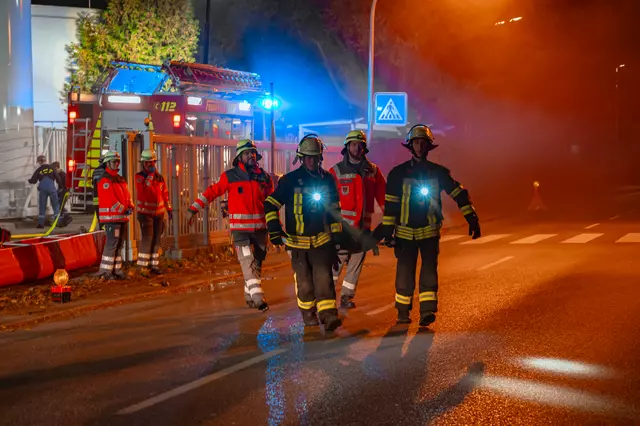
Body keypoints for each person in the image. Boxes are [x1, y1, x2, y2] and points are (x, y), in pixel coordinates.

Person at [375, 125, 481, 327]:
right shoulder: (397, 174)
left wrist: (472, 218)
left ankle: (427, 311)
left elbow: (459, 194)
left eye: (423, 143)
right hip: (405, 234)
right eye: (416, 142)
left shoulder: (438, 173)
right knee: (405, 272)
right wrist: (388, 233)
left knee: (429, 271)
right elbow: (391, 207)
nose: (420, 146)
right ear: (410, 146)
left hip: (430, 232)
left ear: (429, 146)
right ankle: (403, 312)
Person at [264, 134, 344, 331]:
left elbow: (335, 213)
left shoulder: (327, 180)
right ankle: (309, 315)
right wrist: (275, 229)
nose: (312, 161)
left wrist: (337, 242)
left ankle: (328, 315)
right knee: (305, 284)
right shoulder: (289, 181)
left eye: (316, 157)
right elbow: (270, 204)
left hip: (322, 242)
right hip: (298, 245)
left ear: (320, 158)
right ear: (301, 158)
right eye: (308, 157)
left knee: (324, 278)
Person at [188, 139, 273, 312]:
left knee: (257, 263)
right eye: (247, 153)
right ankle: (259, 298)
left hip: (260, 229)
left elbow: (272, 201)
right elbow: (212, 192)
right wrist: (194, 208)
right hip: (240, 230)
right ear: (240, 157)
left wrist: (275, 224)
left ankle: (249, 295)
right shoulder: (230, 176)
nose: (251, 156)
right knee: (247, 261)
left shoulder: (264, 177)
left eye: (253, 152)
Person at [329, 130, 386, 309]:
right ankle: (326, 296)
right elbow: (327, 202)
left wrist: (391, 220)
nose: (357, 147)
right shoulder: (335, 171)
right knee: (336, 264)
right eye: (353, 144)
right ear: (347, 147)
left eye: (360, 144)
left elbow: (383, 197)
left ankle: (347, 296)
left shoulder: (374, 171)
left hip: (362, 230)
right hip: (342, 230)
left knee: (356, 264)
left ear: (364, 148)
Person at [96, 151, 134, 280]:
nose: (116, 164)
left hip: (121, 218)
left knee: (119, 245)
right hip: (112, 218)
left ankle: (116, 270)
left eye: (118, 161)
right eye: (114, 161)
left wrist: (130, 205)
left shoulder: (119, 178)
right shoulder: (105, 179)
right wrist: (123, 209)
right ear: (107, 163)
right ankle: (105, 272)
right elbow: (110, 199)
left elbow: (127, 195)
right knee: (112, 244)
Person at [135, 149, 172, 274]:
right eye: (148, 163)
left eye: (152, 162)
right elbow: (145, 190)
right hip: (145, 214)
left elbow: (165, 195)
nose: (150, 165)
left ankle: (154, 266)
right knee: (147, 239)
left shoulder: (160, 177)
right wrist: (150, 176)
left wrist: (169, 209)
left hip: (159, 214)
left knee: (156, 239)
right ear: (143, 164)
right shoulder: (140, 177)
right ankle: (142, 267)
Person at [28, 155, 60, 228]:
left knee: (42, 206)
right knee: (55, 206)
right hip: (51, 188)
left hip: (43, 189)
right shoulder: (52, 168)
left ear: (40, 161)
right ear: (45, 160)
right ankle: (57, 223)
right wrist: (61, 187)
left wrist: (29, 181)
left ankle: (41, 224)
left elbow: (33, 180)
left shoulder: (39, 170)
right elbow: (58, 178)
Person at [92, 155, 107, 223]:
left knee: (99, 218)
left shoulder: (95, 171)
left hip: (96, 198)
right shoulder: (105, 172)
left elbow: (93, 184)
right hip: (103, 199)